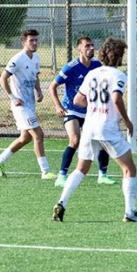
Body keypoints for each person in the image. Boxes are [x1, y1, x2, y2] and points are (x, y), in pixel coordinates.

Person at [53, 37, 137, 223]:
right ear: (119, 55)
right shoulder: (118, 75)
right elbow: (116, 98)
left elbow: (78, 100)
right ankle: (130, 213)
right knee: (129, 168)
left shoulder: (93, 73)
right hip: (107, 128)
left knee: (81, 168)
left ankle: (62, 203)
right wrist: (127, 121)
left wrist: (95, 104)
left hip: (89, 127)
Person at [49, 36, 115, 187]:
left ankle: (103, 175)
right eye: (87, 46)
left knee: (102, 140)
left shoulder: (97, 65)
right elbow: (52, 86)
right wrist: (58, 106)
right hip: (71, 109)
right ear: (79, 49)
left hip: (90, 111)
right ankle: (61, 175)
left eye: (92, 45)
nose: (91, 48)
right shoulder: (71, 67)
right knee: (75, 140)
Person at [0, 29, 56, 179]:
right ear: (24, 42)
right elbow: (3, 79)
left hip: (30, 103)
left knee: (25, 138)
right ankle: (45, 171)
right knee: (39, 134)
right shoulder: (18, 58)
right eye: (31, 40)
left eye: (36, 40)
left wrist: (39, 90)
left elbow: (35, 76)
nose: (34, 43)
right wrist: (13, 97)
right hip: (21, 106)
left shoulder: (37, 58)